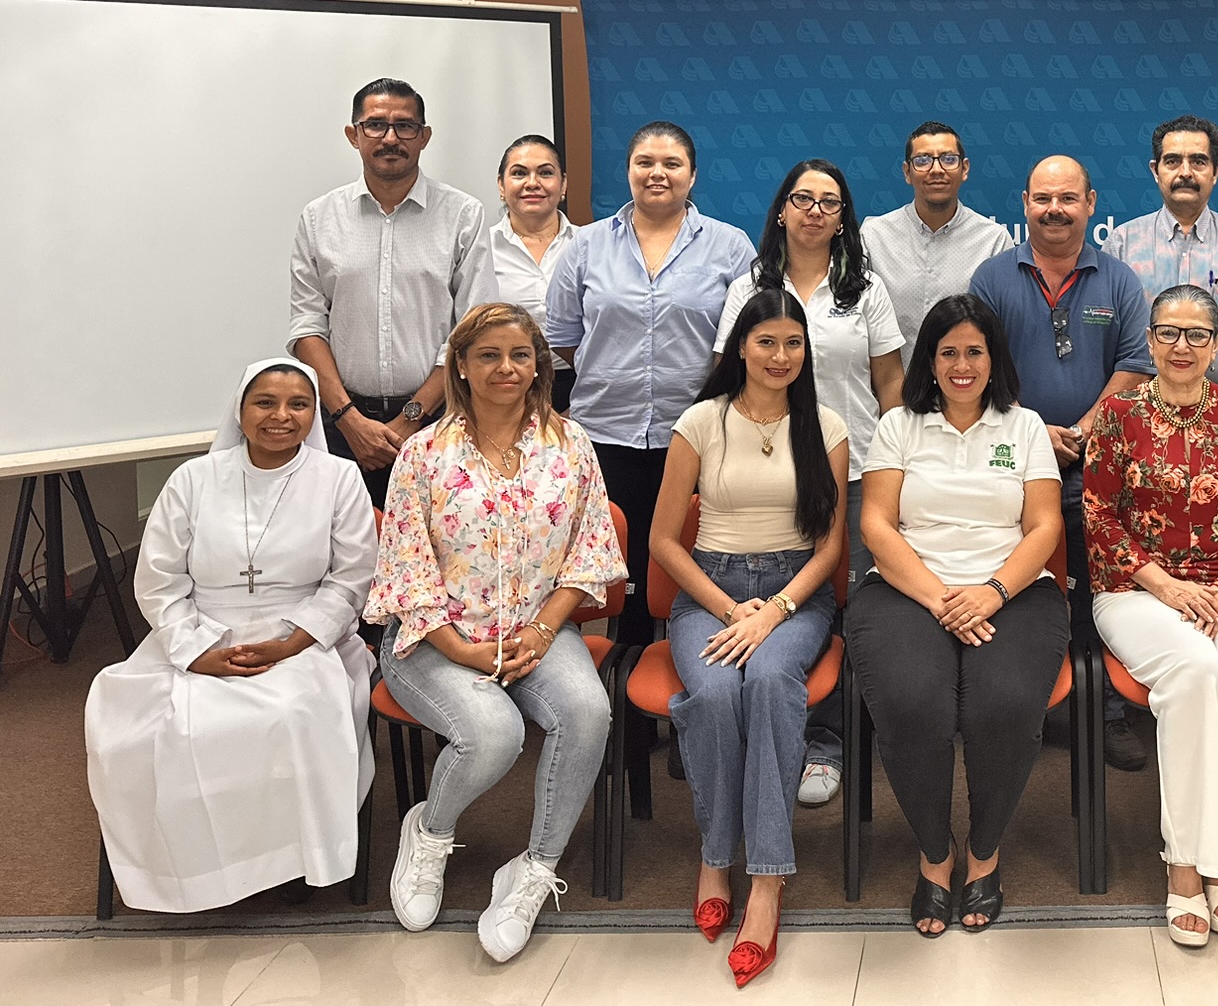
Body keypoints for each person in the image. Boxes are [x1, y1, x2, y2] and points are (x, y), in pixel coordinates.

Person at [369, 303, 627, 964]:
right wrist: (460, 648)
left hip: (536, 630)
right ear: (460, 365)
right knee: (495, 733)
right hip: (433, 637)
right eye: (488, 355)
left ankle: (533, 871)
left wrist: (543, 631)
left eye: (520, 355)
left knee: (588, 710)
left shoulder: (572, 445)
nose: (505, 368)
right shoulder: (423, 454)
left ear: (540, 363)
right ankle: (429, 832)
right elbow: (405, 567)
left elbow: (591, 554)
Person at [85, 358, 377, 912]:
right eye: (265, 402)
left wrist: (295, 641)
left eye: (298, 404)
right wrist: (197, 653)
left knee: (291, 717)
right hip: (199, 631)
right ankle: (195, 865)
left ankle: (290, 861)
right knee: (167, 731)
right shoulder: (193, 479)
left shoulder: (338, 479)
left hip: (305, 634)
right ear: (240, 411)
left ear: (314, 414)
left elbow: (351, 578)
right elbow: (159, 580)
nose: (281, 416)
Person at [846, 293, 1069, 937]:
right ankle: (936, 853)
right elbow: (877, 524)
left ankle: (985, 852)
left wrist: (992, 592)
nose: (962, 365)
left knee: (1001, 703)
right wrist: (945, 598)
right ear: (930, 360)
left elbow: (1044, 525)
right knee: (915, 700)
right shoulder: (899, 426)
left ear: (994, 359)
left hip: (1013, 590)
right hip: (908, 588)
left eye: (975, 352)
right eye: (949, 353)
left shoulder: (1024, 426)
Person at [647, 289, 848, 989]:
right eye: (766, 342)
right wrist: (732, 609)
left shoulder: (824, 426)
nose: (780, 356)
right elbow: (664, 542)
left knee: (767, 682)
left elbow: (830, 549)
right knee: (712, 693)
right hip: (711, 589)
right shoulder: (700, 421)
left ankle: (765, 880)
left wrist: (776, 611)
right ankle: (714, 853)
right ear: (740, 347)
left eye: (793, 344)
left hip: (797, 595)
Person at [1083, 285, 1218, 947]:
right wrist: (1170, 590)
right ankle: (1187, 864)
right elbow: (1100, 521)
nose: (1181, 346)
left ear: (1217, 344)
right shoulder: (1117, 415)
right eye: (1168, 333)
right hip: (1138, 591)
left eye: (1197, 334)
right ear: (1148, 341)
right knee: (1198, 674)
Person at [716, 158, 904, 808]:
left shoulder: (866, 291)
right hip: (772, 478)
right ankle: (795, 735)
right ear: (782, 210)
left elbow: (889, 387)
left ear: (843, 216)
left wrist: (899, 463)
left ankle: (837, 737)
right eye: (803, 198)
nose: (816, 210)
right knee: (791, 605)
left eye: (830, 201)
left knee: (854, 607)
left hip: (853, 476)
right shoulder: (750, 288)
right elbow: (726, 380)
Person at [970, 155, 1154, 771]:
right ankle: (1020, 706)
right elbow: (975, 368)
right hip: (1010, 463)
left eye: (1068, 198)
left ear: (1091, 202)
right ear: (1024, 204)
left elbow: (1133, 369)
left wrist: (1076, 432)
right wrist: (1032, 433)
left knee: (1097, 588)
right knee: (1017, 584)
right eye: (1043, 198)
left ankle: (1101, 712)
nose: (1055, 209)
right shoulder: (992, 278)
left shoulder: (1121, 281)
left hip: (1098, 465)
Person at [545, 120, 755, 657]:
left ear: (693, 175)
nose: (657, 174)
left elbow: (742, 341)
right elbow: (567, 338)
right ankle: (631, 716)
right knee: (618, 572)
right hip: (604, 437)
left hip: (697, 437)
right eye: (645, 163)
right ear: (629, 171)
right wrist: (613, 372)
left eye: (671, 164)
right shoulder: (586, 246)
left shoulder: (730, 247)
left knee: (688, 564)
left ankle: (695, 679)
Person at [288, 77, 497, 508]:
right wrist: (349, 419)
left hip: (439, 424)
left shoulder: (463, 215)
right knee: (349, 559)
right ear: (353, 135)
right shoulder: (319, 218)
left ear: (424, 137)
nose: (390, 138)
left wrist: (410, 419)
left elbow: (473, 330)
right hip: (341, 428)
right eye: (375, 125)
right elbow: (307, 326)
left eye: (405, 127)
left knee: (441, 556)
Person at [1103, 115, 1218, 398]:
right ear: (1155, 170)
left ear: (1216, 171)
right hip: (1135, 414)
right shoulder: (1121, 245)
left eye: (1198, 161)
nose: (1185, 172)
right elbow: (1106, 337)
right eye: (1173, 161)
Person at [863, 121, 1013, 367]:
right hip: (891, 395)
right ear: (906, 172)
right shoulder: (873, 237)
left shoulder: (994, 241)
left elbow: (1002, 334)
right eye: (922, 160)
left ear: (964, 169)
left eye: (948, 159)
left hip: (967, 391)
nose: (936, 170)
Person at [489, 133, 581, 412]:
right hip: (501, 385)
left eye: (545, 173)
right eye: (519, 173)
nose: (532, 183)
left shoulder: (590, 244)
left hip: (579, 386)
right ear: (501, 186)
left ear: (563, 185)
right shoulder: (479, 248)